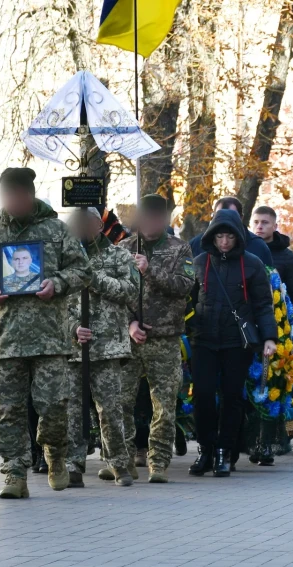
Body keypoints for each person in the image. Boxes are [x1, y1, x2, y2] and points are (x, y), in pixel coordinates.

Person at [0, 167, 91, 498]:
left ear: (30, 195)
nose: (14, 201)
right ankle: (14, 473)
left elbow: (83, 270)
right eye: (8, 195)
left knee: (52, 407)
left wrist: (57, 283)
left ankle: (55, 455)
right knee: (9, 411)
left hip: (49, 338)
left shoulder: (57, 232)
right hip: (7, 340)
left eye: (20, 194)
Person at [188, 208, 278, 477]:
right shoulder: (199, 262)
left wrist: (269, 338)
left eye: (229, 237)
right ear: (212, 238)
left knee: (232, 397)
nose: (224, 242)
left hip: (236, 342)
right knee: (202, 395)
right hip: (203, 339)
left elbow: (263, 303)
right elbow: (186, 301)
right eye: (220, 237)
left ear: (238, 237)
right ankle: (205, 448)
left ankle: (224, 451)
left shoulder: (251, 264)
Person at [118, 194, 194, 484]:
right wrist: (129, 324)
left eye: (157, 218)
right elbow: (114, 294)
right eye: (146, 217)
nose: (151, 223)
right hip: (130, 339)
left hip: (164, 339)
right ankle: (122, 459)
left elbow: (184, 286)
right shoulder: (124, 248)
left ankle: (158, 461)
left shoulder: (179, 248)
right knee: (121, 402)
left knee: (163, 405)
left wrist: (150, 269)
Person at [64, 208, 139, 488]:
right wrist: (72, 328)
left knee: (110, 409)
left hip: (108, 346)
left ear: (98, 224)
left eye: (86, 223)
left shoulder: (118, 255)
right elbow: (54, 301)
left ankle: (118, 463)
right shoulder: (65, 259)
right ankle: (73, 465)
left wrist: (93, 279)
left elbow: (131, 291)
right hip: (74, 348)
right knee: (73, 410)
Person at [248, 205, 293, 330]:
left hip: (278, 325)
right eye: (256, 222)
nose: (259, 226)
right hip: (247, 322)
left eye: (265, 222)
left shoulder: (288, 257)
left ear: (275, 227)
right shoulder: (242, 252)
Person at [188, 197, 273, 268]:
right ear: (213, 217)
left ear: (241, 218)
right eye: (220, 215)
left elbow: (269, 280)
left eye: (231, 216)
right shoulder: (196, 244)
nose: (225, 220)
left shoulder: (258, 246)